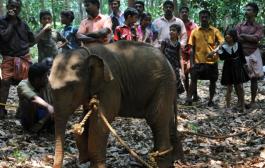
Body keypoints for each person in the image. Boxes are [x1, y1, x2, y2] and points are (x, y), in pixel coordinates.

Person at [0, 0, 35, 119]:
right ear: (7, 6)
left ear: (20, 9)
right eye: (12, 6)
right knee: (5, 83)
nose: (14, 8)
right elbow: (3, 37)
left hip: (24, 58)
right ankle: (2, 109)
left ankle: (22, 110)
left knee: (25, 85)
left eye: (17, 7)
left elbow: (32, 39)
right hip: (8, 59)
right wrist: (11, 23)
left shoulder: (23, 24)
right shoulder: (2, 22)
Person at [185, 10, 224, 107]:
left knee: (213, 81)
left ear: (209, 18)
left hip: (212, 61)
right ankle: (189, 99)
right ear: (199, 18)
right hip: (198, 61)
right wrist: (192, 63)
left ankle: (211, 100)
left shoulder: (215, 31)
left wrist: (214, 51)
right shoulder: (195, 31)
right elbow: (192, 48)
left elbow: (222, 42)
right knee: (193, 79)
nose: (204, 18)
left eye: (206, 17)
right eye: (202, 17)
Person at [235, 2, 264, 109]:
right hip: (240, 53)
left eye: (249, 10)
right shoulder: (239, 25)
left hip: (253, 54)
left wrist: (243, 36)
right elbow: (236, 38)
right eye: (246, 10)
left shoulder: (259, 26)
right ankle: (240, 101)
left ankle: (252, 101)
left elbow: (257, 38)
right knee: (238, 79)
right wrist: (248, 37)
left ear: (255, 12)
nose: (246, 12)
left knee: (254, 79)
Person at [217, 29, 249, 112]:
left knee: (240, 87)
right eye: (226, 35)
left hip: (238, 66)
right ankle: (227, 107)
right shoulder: (224, 47)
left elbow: (242, 56)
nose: (227, 37)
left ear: (233, 37)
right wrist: (219, 50)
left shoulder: (238, 44)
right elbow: (222, 58)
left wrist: (245, 66)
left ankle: (242, 106)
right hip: (228, 67)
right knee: (229, 88)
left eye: (229, 35)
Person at [17, 63, 54, 133]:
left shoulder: (47, 84)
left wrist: (42, 122)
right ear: (37, 79)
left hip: (46, 117)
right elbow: (34, 98)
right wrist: (48, 106)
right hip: (31, 116)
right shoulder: (23, 85)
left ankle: (48, 127)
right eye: (45, 76)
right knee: (28, 101)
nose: (47, 78)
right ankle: (30, 127)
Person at [161, 24, 185, 96]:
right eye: (170, 30)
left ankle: (174, 98)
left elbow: (180, 57)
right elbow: (161, 54)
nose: (171, 32)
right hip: (166, 65)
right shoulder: (165, 41)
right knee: (166, 82)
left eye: (173, 30)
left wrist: (182, 72)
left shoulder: (178, 44)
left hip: (175, 66)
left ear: (178, 33)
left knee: (176, 82)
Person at [179, 6, 198, 98]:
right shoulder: (178, 24)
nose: (184, 13)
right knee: (185, 75)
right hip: (181, 52)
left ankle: (195, 93)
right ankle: (188, 94)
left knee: (193, 73)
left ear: (188, 13)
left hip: (192, 52)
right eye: (182, 12)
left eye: (186, 12)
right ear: (179, 13)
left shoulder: (194, 25)